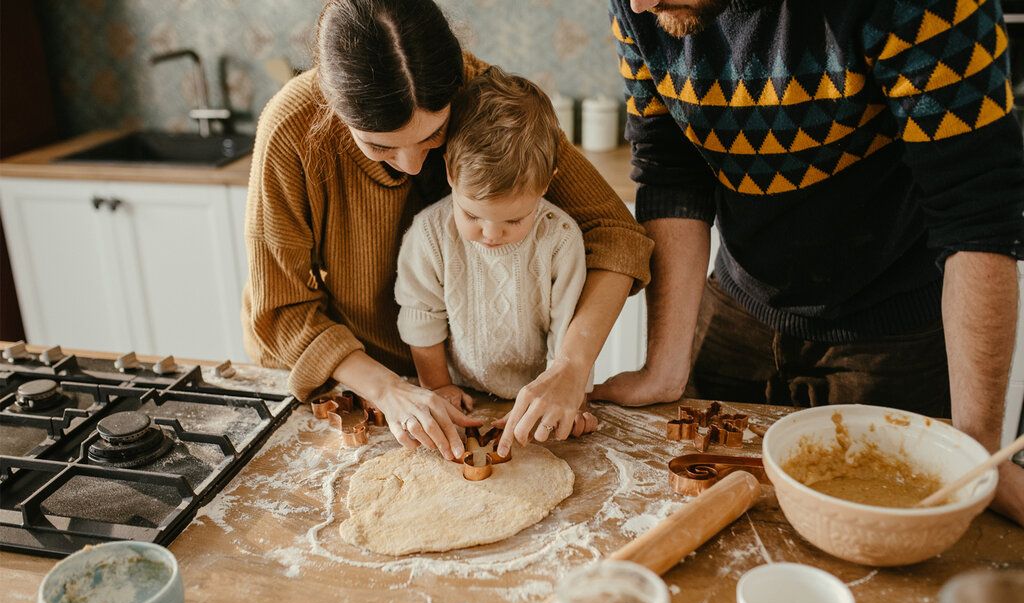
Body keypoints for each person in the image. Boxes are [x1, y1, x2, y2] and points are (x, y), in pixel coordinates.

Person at [593, 0, 1024, 526]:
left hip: (891, 334)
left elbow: (976, 214)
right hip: (736, 308)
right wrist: (663, 367)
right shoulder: (645, 4)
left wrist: (976, 450)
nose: (639, 3)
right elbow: (671, 170)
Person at [242, 0, 652, 462]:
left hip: (465, 391)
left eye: (433, 136)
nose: (413, 165)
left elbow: (617, 234)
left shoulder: (487, 99)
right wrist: (390, 390)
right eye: (379, 145)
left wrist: (571, 367)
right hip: (353, 383)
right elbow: (282, 310)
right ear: (336, 111)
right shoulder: (291, 128)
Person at [395, 67, 599, 443]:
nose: (490, 234)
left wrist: (575, 399)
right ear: (451, 174)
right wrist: (438, 386)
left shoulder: (560, 239)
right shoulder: (429, 234)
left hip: (538, 395)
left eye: (514, 219)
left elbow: (567, 332)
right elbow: (421, 317)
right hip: (463, 396)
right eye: (472, 215)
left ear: (547, 182)